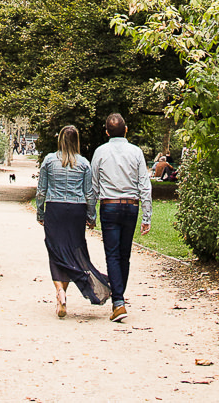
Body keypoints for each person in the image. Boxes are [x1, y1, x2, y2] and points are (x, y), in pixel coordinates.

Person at [36, 125, 110, 317]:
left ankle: (60, 292)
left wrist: (40, 212)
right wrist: (91, 216)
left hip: (55, 209)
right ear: (77, 141)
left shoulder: (49, 161)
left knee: (55, 251)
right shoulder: (84, 164)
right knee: (74, 250)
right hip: (76, 210)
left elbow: (42, 190)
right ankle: (68, 289)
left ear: (60, 139)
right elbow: (89, 194)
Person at [89, 113, 153, 323]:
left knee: (113, 255)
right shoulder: (135, 152)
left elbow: (94, 186)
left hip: (109, 206)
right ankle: (119, 298)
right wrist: (147, 215)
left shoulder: (100, 152)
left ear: (107, 132)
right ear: (126, 130)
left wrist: (91, 212)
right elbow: (144, 184)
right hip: (131, 207)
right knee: (124, 254)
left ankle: (118, 301)